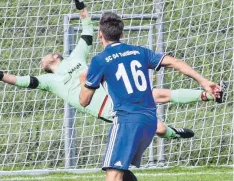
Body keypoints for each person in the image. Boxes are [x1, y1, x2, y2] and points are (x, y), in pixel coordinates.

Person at [0, 0, 225, 140]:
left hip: (116, 93)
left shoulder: (76, 56)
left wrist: (79, 4)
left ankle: (205, 96)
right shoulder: (49, 81)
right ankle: (173, 134)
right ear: (45, 66)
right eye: (43, 58)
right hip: (105, 108)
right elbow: (21, 81)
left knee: (159, 93)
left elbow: (87, 27)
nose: (46, 54)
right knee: (158, 128)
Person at [78, 12, 222, 181]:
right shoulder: (139, 51)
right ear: (122, 34)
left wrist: (84, 81)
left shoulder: (100, 60)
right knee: (123, 173)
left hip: (127, 121)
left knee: (113, 174)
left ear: (100, 35)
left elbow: (84, 101)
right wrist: (204, 82)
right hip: (150, 122)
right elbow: (176, 62)